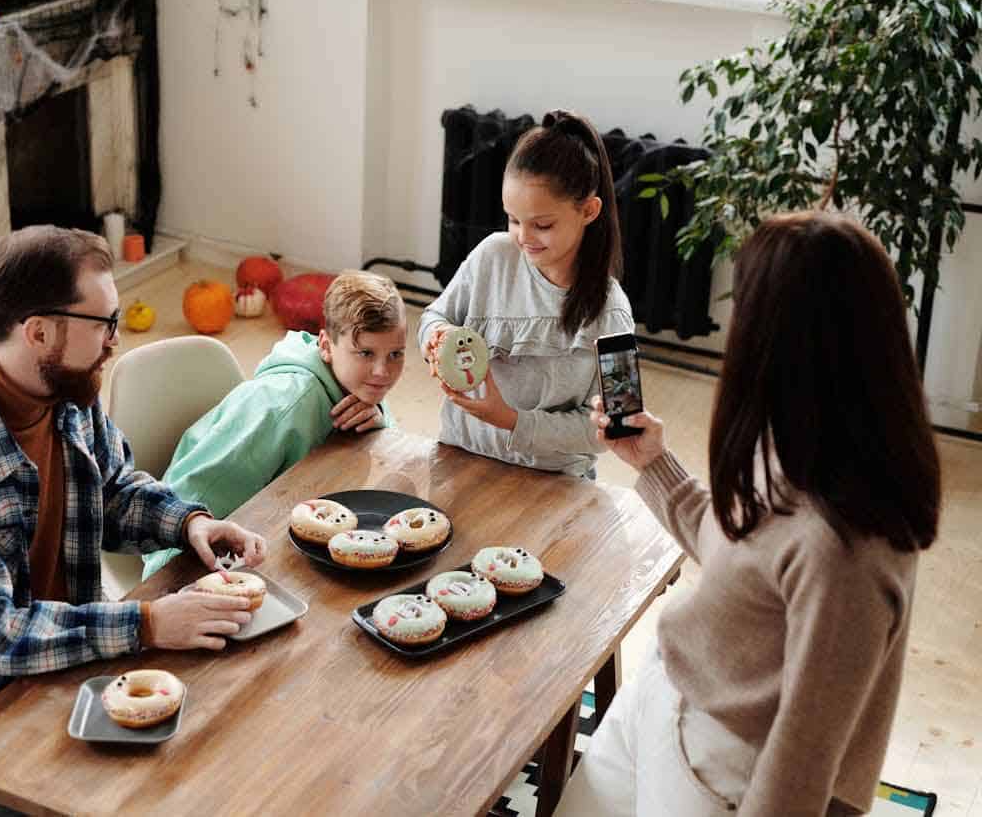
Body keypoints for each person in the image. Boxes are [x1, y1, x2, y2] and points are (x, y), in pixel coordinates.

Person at [0, 226, 268, 817]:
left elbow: (113, 491)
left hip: (72, 661)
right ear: (39, 332)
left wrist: (187, 524)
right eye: (103, 323)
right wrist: (148, 623)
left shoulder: (68, 396)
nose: (114, 339)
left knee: (231, 737)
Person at [556, 212, 941, 816]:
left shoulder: (844, 547)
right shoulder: (800, 442)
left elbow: (806, 749)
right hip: (665, 691)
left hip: (723, 764)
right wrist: (654, 465)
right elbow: (743, 558)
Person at [418, 109, 634, 477]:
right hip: (461, 456)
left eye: (543, 224)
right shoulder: (491, 256)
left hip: (550, 480)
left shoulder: (612, 312)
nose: (523, 237)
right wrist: (439, 338)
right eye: (514, 219)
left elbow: (619, 424)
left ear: (589, 210)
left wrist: (513, 421)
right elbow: (433, 318)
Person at [153, 270, 407, 577]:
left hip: (289, 536)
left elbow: (381, 463)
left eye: (395, 354)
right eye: (365, 353)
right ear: (325, 346)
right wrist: (165, 573)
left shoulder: (360, 386)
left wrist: (378, 420)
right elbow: (196, 488)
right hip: (194, 556)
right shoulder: (280, 404)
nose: (382, 371)